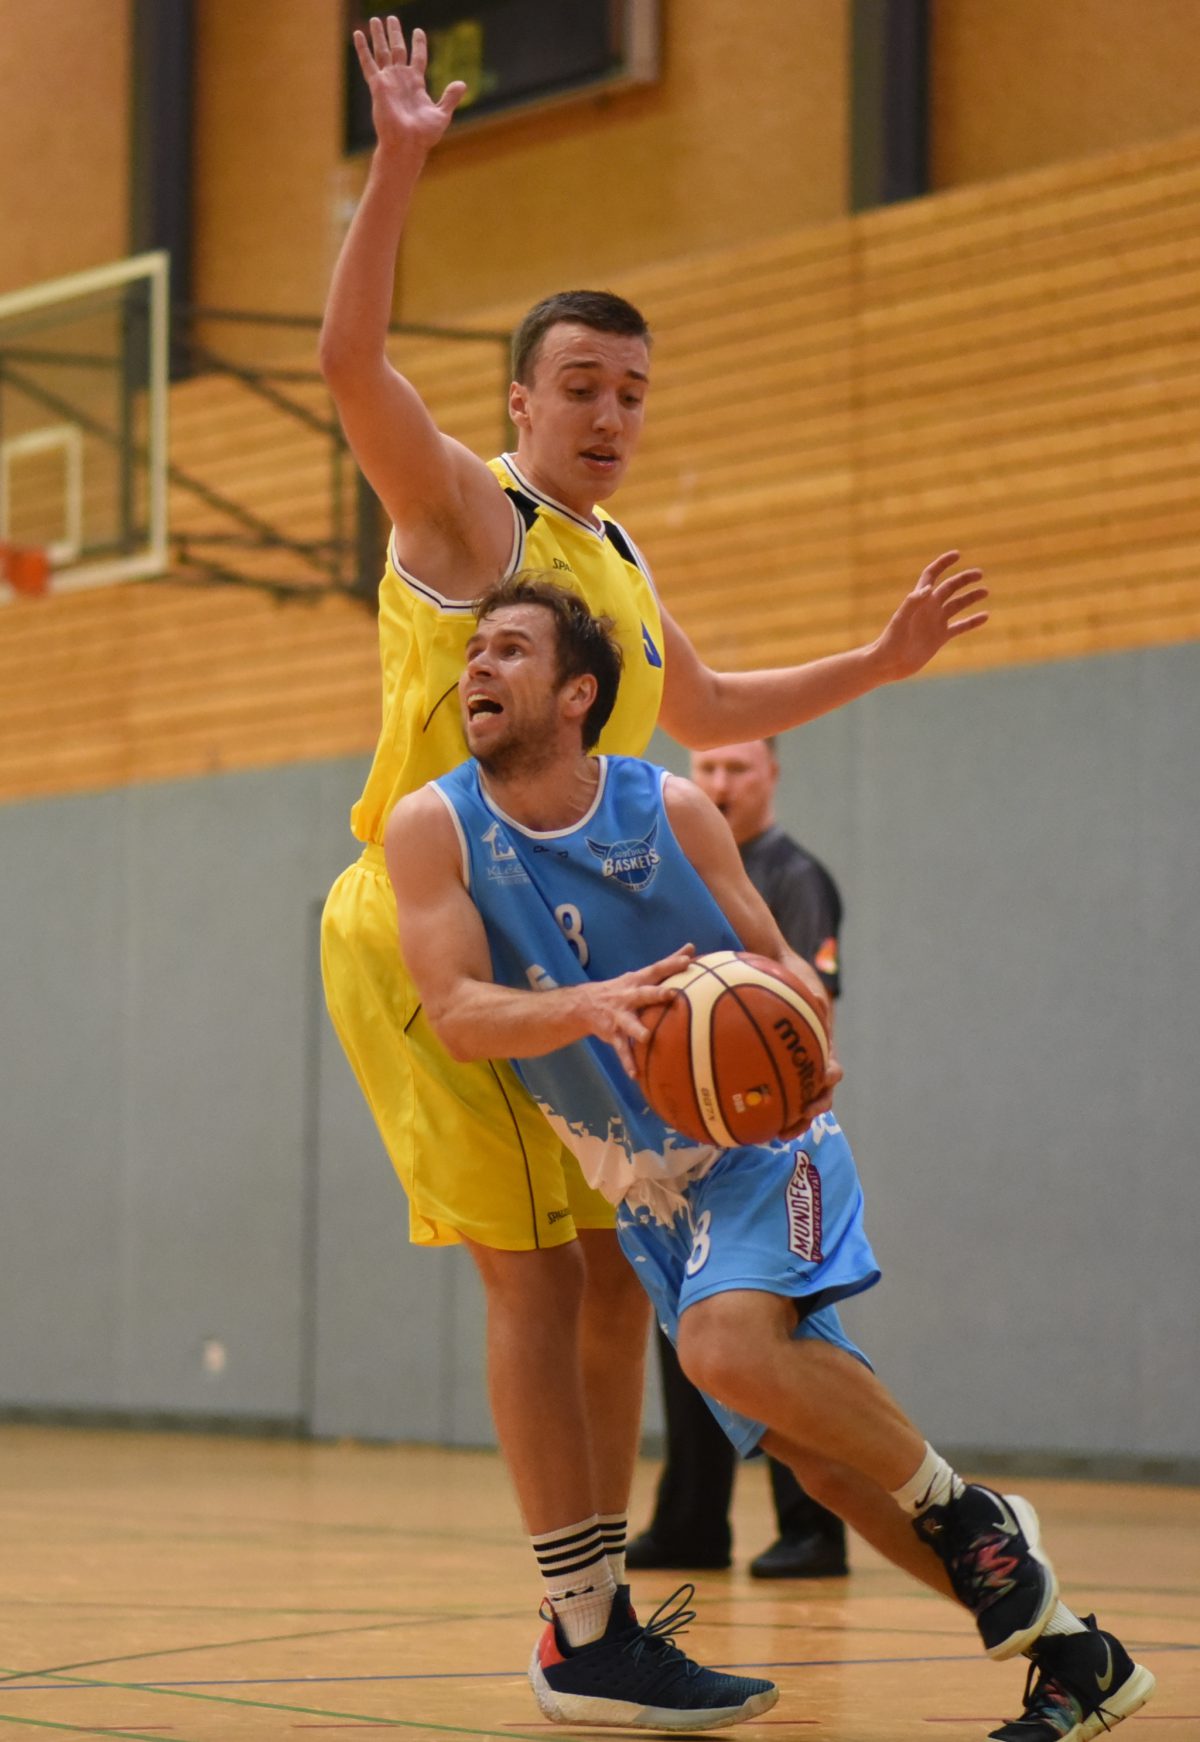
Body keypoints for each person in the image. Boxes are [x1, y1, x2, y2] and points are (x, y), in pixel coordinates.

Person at [320, 12, 988, 1728]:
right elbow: (349, 369)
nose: (612, 414)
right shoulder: (472, 520)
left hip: (564, 930)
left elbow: (708, 700)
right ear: (519, 405)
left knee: (616, 1266)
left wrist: (880, 660)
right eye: (583, 389)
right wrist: (397, 167)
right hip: (435, 923)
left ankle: (597, 1614)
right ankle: (578, 1621)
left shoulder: (610, 551)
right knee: (535, 1276)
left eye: (634, 393)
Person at [384, 576, 1156, 1741]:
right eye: (472, 650)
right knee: (834, 1464)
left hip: (757, 1145)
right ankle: (1075, 1653)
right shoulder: (432, 826)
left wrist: (806, 1035)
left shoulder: (674, 808)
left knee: (722, 1344)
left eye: (509, 649)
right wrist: (591, 1005)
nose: (476, 667)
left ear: (580, 692)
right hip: (643, 1194)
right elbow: (453, 1012)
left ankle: (973, 1510)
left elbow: (776, 958)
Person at [627, 737, 850, 1580]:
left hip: (779, 1142)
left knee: (781, 1332)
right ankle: (692, 1521)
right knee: (689, 1332)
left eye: (737, 769)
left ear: (771, 775)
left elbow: (797, 1009)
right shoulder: (666, 871)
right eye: (706, 768)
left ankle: (814, 1527)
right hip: (689, 1141)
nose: (718, 784)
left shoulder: (794, 877)